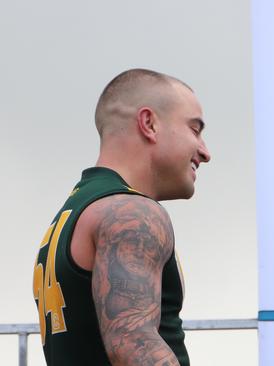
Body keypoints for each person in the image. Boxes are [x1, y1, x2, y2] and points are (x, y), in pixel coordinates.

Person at [32, 69, 211, 365]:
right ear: (149, 123)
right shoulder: (131, 213)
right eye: (195, 129)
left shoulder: (75, 211)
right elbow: (133, 346)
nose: (205, 152)